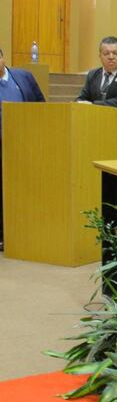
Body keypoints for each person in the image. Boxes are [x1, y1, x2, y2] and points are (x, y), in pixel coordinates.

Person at [0, 48, 45, 251]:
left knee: (25, 189)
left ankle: (26, 232)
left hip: (24, 145)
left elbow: (40, 105)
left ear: (3, 58)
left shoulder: (23, 77)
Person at [76, 36, 117, 159]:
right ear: (100, 55)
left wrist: (94, 105)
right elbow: (82, 98)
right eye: (106, 53)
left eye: (115, 53)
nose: (111, 56)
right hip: (97, 136)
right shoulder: (93, 75)